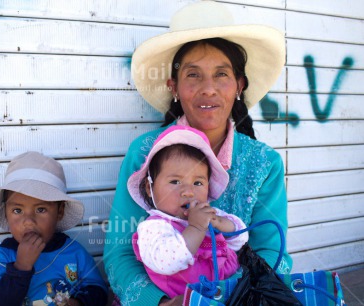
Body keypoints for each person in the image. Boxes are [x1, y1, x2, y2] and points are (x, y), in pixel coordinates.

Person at [103, 1, 292, 305]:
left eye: (221, 74)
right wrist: (160, 303)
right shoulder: (144, 153)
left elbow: (271, 251)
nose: (208, 89)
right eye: (193, 75)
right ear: (173, 87)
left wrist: (234, 296)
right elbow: (119, 253)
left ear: (239, 85)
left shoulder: (264, 163)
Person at [129, 126, 248, 298]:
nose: (188, 192)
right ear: (150, 188)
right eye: (175, 181)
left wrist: (220, 223)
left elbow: (240, 239)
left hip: (227, 294)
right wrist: (197, 228)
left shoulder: (207, 213)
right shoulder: (154, 227)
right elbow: (168, 262)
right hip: (186, 299)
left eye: (198, 183)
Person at [0, 151, 108, 306]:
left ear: (59, 212)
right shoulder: (3, 256)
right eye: (17, 211)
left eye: (40, 209)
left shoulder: (73, 252)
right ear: (5, 213)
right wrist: (21, 267)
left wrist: (79, 302)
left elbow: (98, 290)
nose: (28, 221)